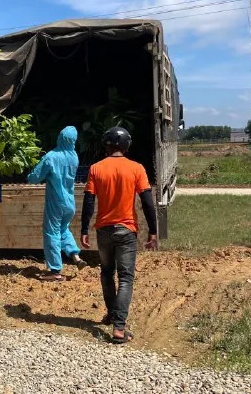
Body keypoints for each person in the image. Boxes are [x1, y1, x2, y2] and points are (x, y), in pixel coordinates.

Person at [80, 126, 158, 344]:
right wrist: (153, 230)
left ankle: (112, 314)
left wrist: (84, 229)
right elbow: (147, 202)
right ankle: (119, 328)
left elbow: (88, 201)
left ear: (107, 145)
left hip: (103, 231)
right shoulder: (136, 168)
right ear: (126, 146)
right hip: (126, 231)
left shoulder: (96, 168)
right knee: (125, 278)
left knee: (106, 272)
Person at [27, 126, 88, 281]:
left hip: (56, 202)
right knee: (63, 230)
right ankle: (76, 257)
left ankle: (55, 270)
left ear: (60, 137)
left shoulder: (51, 156)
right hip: (69, 202)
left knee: (51, 233)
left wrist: (31, 171)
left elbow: (34, 178)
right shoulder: (74, 156)